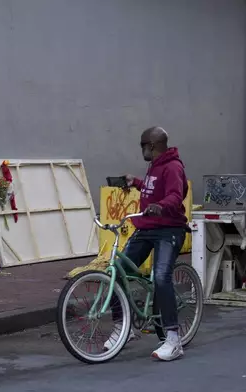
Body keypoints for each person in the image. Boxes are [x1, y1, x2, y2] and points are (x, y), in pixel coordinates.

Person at [104, 126, 188, 361]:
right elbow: (153, 189)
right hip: (148, 227)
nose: (141, 149)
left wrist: (161, 206)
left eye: (142, 144)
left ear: (152, 145)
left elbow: (175, 194)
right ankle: (124, 327)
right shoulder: (155, 165)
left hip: (169, 229)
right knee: (118, 272)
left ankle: (173, 339)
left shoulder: (173, 166)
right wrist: (137, 183)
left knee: (161, 276)